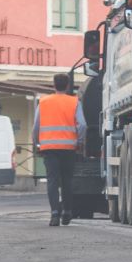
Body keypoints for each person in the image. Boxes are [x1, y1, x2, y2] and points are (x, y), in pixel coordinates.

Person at [33, 72, 86, 227]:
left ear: (54, 85)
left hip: (49, 148)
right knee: (67, 181)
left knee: (53, 181)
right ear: (68, 85)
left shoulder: (43, 102)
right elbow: (82, 125)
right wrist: (79, 141)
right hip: (69, 148)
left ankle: (55, 214)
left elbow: (36, 126)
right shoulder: (74, 102)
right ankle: (67, 212)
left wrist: (37, 142)